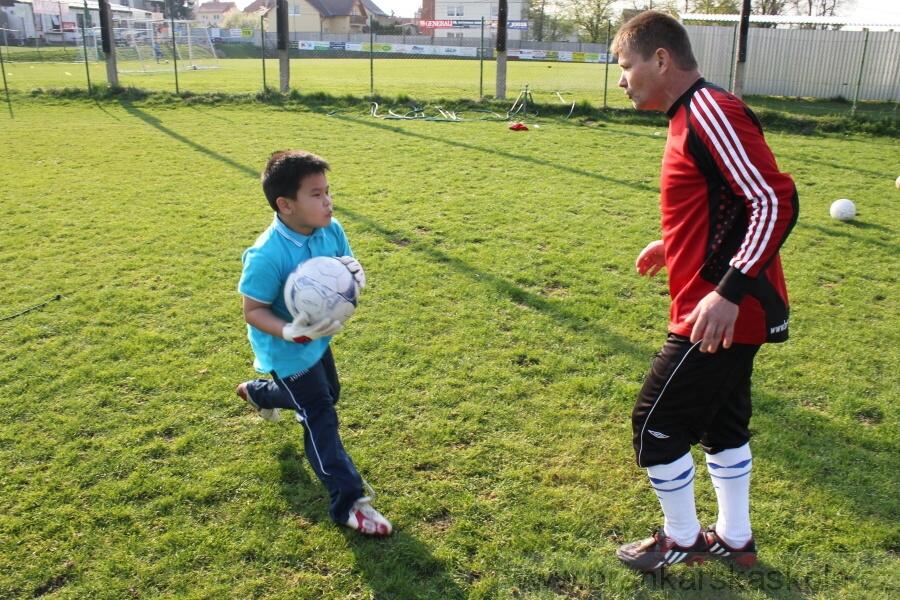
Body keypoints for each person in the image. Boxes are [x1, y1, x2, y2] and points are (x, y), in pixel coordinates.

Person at [610, 12, 799, 571]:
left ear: (661, 59)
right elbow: (727, 203)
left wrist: (729, 290)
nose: (622, 79)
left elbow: (773, 201)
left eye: (626, 65)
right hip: (724, 302)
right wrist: (673, 243)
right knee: (723, 425)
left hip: (721, 310)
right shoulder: (686, 115)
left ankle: (683, 539)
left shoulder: (710, 110)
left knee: (655, 424)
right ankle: (735, 538)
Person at [236, 150, 392, 537]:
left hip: (318, 339)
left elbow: (345, 268)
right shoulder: (266, 255)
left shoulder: (331, 229)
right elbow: (253, 310)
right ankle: (350, 502)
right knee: (319, 412)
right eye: (316, 194)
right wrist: (289, 331)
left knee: (328, 394)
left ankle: (259, 393)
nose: (328, 202)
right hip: (284, 348)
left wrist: (354, 274)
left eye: (327, 192)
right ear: (285, 204)